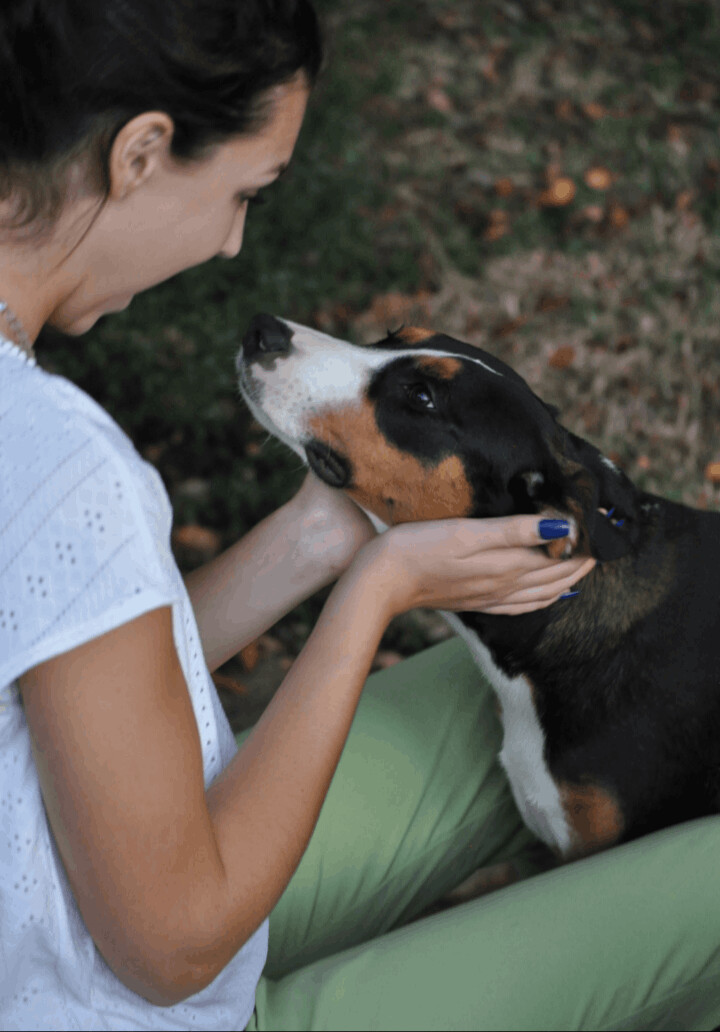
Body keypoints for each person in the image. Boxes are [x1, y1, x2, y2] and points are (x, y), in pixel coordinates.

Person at [1, 2, 718, 1029]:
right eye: (244, 193)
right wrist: (374, 592)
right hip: (137, 991)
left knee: (536, 694)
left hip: (69, 853)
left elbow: (67, 663)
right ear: (142, 153)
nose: (233, 246)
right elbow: (172, 947)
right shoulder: (67, 466)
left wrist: (315, 537)